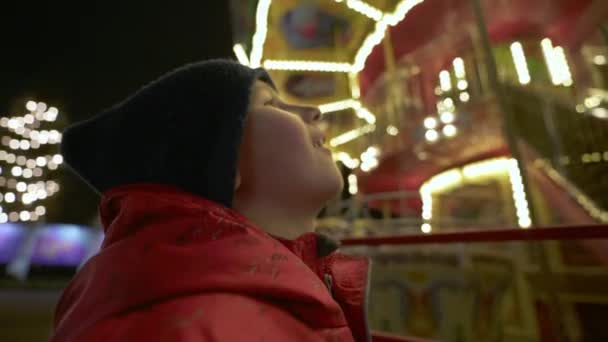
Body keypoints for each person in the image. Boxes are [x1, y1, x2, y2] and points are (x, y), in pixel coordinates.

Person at [51, 60, 372, 341]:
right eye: (272, 104)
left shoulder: (280, 297)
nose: (313, 111)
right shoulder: (176, 327)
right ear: (221, 162)